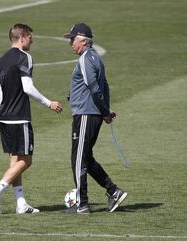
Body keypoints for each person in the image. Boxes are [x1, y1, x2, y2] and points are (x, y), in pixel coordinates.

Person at [0, 23, 63, 214]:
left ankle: (20, 203)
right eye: (30, 38)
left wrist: (3, 111)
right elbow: (27, 87)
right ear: (22, 37)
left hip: (4, 117)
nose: (32, 42)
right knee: (26, 161)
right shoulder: (24, 57)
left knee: (15, 161)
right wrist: (48, 102)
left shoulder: (1, 60)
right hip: (19, 118)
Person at [63, 23, 127, 214]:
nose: (70, 44)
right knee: (86, 158)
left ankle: (82, 204)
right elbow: (103, 85)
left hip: (85, 115)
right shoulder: (95, 58)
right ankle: (113, 191)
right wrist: (105, 111)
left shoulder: (85, 59)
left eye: (72, 40)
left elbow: (93, 86)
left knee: (77, 159)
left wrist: (104, 110)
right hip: (92, 113)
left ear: (83, 40)